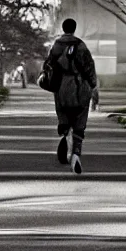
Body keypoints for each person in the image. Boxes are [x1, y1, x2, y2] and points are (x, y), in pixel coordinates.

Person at [43, 18, 99, 175]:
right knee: (80, 119)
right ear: (75, 28)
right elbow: (89, 68)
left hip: (61, 87)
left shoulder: (57, 45)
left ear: (63, 28)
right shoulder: (80, 46)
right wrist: (94, 86)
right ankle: (76, 152)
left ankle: (65, 133)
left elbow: (48, 65)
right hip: (80, 86)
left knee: (63, 113)